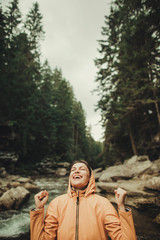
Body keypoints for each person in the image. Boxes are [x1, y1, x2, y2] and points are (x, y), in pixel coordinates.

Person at [30, 160, 137, 240]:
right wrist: (38, 210)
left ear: (90, 177)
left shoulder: (103, 203)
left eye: (82, 169)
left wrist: (122, 208)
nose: (76, 171)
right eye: (73, 170)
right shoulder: (56, 203)